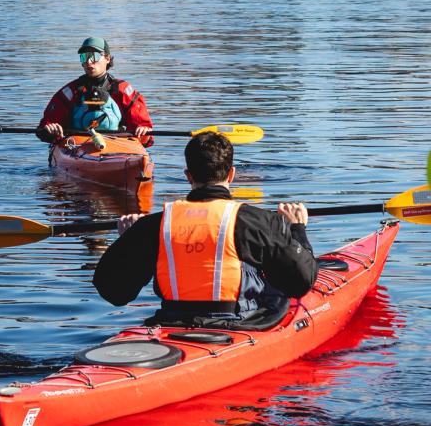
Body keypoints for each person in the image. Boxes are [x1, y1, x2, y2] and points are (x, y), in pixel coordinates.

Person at [92, 130, 317, 325]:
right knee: (277, 291)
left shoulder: (154, 225)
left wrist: (128, 239)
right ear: (231, 174)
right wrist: (297, 229)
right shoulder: (260, 222)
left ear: (188, 176)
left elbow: (113, 292)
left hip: (171, 321)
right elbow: (301, 283)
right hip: (238, 325)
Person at [35, 36, 154, 145]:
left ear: (107, 58)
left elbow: (146, 137)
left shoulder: (123, 91)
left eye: (94, 56)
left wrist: (144, 131)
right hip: (77, 145)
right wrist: (49, 128)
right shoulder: (70, 92)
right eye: (84, 57)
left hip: (118, 145)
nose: (88, 62)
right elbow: (43, 129)